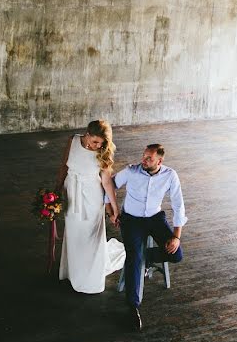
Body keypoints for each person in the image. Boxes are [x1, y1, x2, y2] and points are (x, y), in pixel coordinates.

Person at [107, 143, 186, 331]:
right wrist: (111, 211)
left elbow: (178, 205)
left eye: (149, 158)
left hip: (154, 219)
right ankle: (132, 306)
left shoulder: (170, 175)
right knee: (134, 258)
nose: (144, 160)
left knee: (176, 255)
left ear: (159, 161)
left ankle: (144, 257)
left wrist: (176, 237)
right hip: (131, 220)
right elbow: (109, 185)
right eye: (143, 156)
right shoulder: (131, 171)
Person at [56, 120, 125, 294]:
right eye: (95, 142)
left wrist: (115, 208)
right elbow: (64, 166)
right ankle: (73, 272)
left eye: (101, 143)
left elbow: (107, 182)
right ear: (87, 134)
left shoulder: (102, 152)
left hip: (92, 197)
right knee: (74, 233)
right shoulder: (72, 140)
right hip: (71, 192)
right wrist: (56, 189)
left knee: (90, 235)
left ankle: (89, 277)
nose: (97, 146)